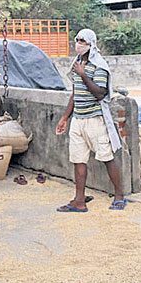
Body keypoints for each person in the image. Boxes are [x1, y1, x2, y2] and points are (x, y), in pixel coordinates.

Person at [54, 29, 125, 212]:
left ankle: (119, 195)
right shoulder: (77, 63)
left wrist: (84, 75)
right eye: (77, 40)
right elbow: (75, 93)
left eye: (82, 41)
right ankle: (79, 201)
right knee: (78, 159)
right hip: (78, 119)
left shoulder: (99, 65)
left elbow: (100, 93)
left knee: (107, 157)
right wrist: (65, 118)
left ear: (91, 44)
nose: (78, 44)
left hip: (95, 119)